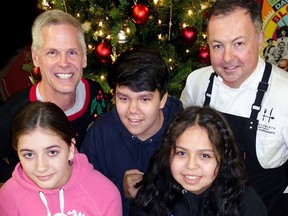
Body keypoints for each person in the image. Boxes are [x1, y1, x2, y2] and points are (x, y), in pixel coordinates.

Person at [180, 0, 288, 215]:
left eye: (238, 43)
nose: (227, 58)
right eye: (217, 46)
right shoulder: (197, 83)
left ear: (259, 40)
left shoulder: (284, 94)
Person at [0, 9, 107, 182]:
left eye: (72, 52)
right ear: (36, 58)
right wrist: (23, 179)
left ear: (84, 58)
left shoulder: (95, 94)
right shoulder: (15, 112)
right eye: (52, 53)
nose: (64, 63)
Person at [80, 45, 184, 216]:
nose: (132, 110)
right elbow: (82, 190)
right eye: (124, 98)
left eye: (144, 99)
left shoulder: (184, 133)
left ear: (162, 99)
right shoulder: (101, 133)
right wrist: (119, 188)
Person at [129, 106, 267, 216]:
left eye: (205, 156)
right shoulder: (151, 196)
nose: (191, 165)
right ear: (168, 153)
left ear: (223, 157)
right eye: (181, 153)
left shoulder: (245, 202)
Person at [0, 101, 122, 216]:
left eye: (52, 152)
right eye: (29, 155)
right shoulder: (8, 196)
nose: (41, 167)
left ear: (70, 149)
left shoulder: (105, 194)